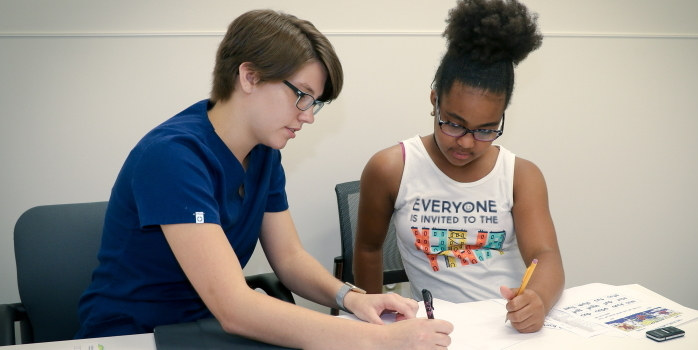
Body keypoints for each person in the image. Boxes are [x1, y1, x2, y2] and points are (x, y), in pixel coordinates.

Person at [76, 9, 452, 349]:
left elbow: (288, 258)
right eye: (303, 96)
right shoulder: (173, 156)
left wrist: (351, 298)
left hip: (204, 328)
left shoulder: (264, 153)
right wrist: (379, 340)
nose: (308, 116)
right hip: (136, 335)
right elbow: (235, 308)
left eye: (315, 102)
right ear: (249, 76)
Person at [354, 0, 565, 334]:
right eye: (453, 124)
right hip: (435, 329)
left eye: (485, 129)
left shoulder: (520, 175)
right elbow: (368, 248)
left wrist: (537, 298)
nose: (466, 143)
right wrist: (374, 325)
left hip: (507, 328)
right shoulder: (391, 167)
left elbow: (546, 255)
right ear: (434, 101)